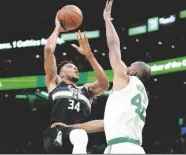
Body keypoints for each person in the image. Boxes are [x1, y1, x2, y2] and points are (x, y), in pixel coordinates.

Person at [51, 0, 151, 154]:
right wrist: (70, 127)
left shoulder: (126, 79)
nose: (125, 67)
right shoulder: (141, 95)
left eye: (129, 66)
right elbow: (105, 124)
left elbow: (114, 46)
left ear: (133, 72)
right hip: (136, 148)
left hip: (120, 148)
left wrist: (107, 20)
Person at [43, 11, 109, 154]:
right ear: (61, 73)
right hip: (57, 133)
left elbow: (104, 84)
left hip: (79, 133)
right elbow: (48, 50)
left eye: (75, 67)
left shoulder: (86, 90)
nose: (75, 68)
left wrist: (89, 55)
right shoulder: (55, 84)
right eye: (70, 67)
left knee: (80, 135)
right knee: (80, 136)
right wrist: (57, 29)